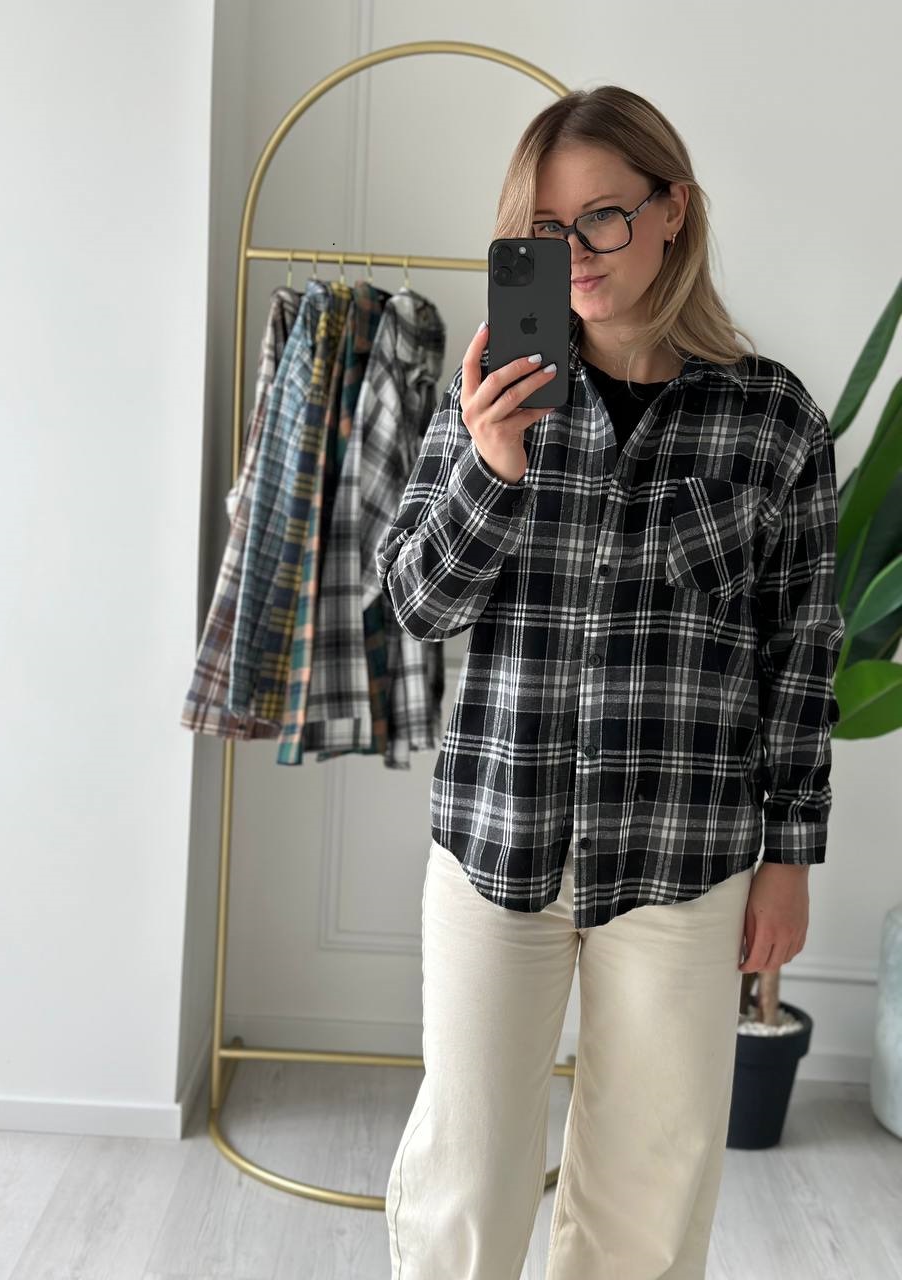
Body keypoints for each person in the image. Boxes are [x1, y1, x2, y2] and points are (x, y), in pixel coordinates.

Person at [376, 84, 844, 1280]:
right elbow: (418, 604)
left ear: (673, 208)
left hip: (682, 862)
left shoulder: (773, 421)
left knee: (648, 1196)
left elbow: (799, 657)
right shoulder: (491, 392)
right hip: (498, 843)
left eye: (601, 216)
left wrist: (789, 856)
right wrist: (492, 464)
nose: (573, 251)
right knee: (466, 1183)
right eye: (543, 228)